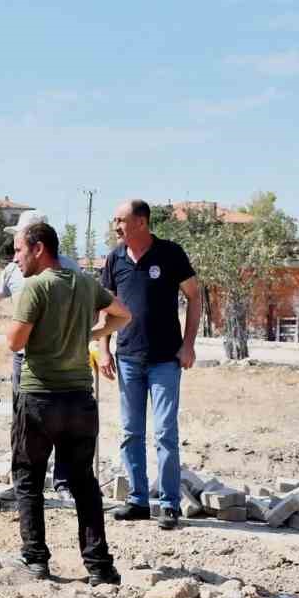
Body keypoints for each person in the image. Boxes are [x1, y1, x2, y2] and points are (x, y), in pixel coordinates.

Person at [3, 222, 130, 584]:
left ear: (39, 248)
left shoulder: (34, 288)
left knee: (28, 478)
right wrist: (91, 334)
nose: (15, 259)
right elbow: (124, 315)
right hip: (79, 401)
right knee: (83, 482)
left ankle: (35, 557)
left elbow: (15, 342)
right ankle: (99, 566)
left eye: (18, 250)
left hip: (39, 399)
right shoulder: (86, 283)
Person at [0, 211, 81, 493]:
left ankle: (63, 483)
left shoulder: (69, 268)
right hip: (25, 361)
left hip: (62, 360)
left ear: (38, 243)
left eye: (20, 244)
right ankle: (22, 481)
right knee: (24, 422)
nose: (16, 251)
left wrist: (92, 341)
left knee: (62, 422)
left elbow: (90, 305)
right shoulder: (14, 271)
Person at [97, 199, 202, 531]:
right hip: (128, 358)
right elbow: (105, 307)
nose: (116, 226)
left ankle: (169, 504)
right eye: (115, 220)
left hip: (165, 360)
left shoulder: (170, 253)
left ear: (141, 222)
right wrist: (103, 347)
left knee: (165, 433)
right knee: (130, 433)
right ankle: (139, 500)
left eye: (121, 220)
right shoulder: (115, 258)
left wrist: (188, 345)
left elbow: (195, 295)